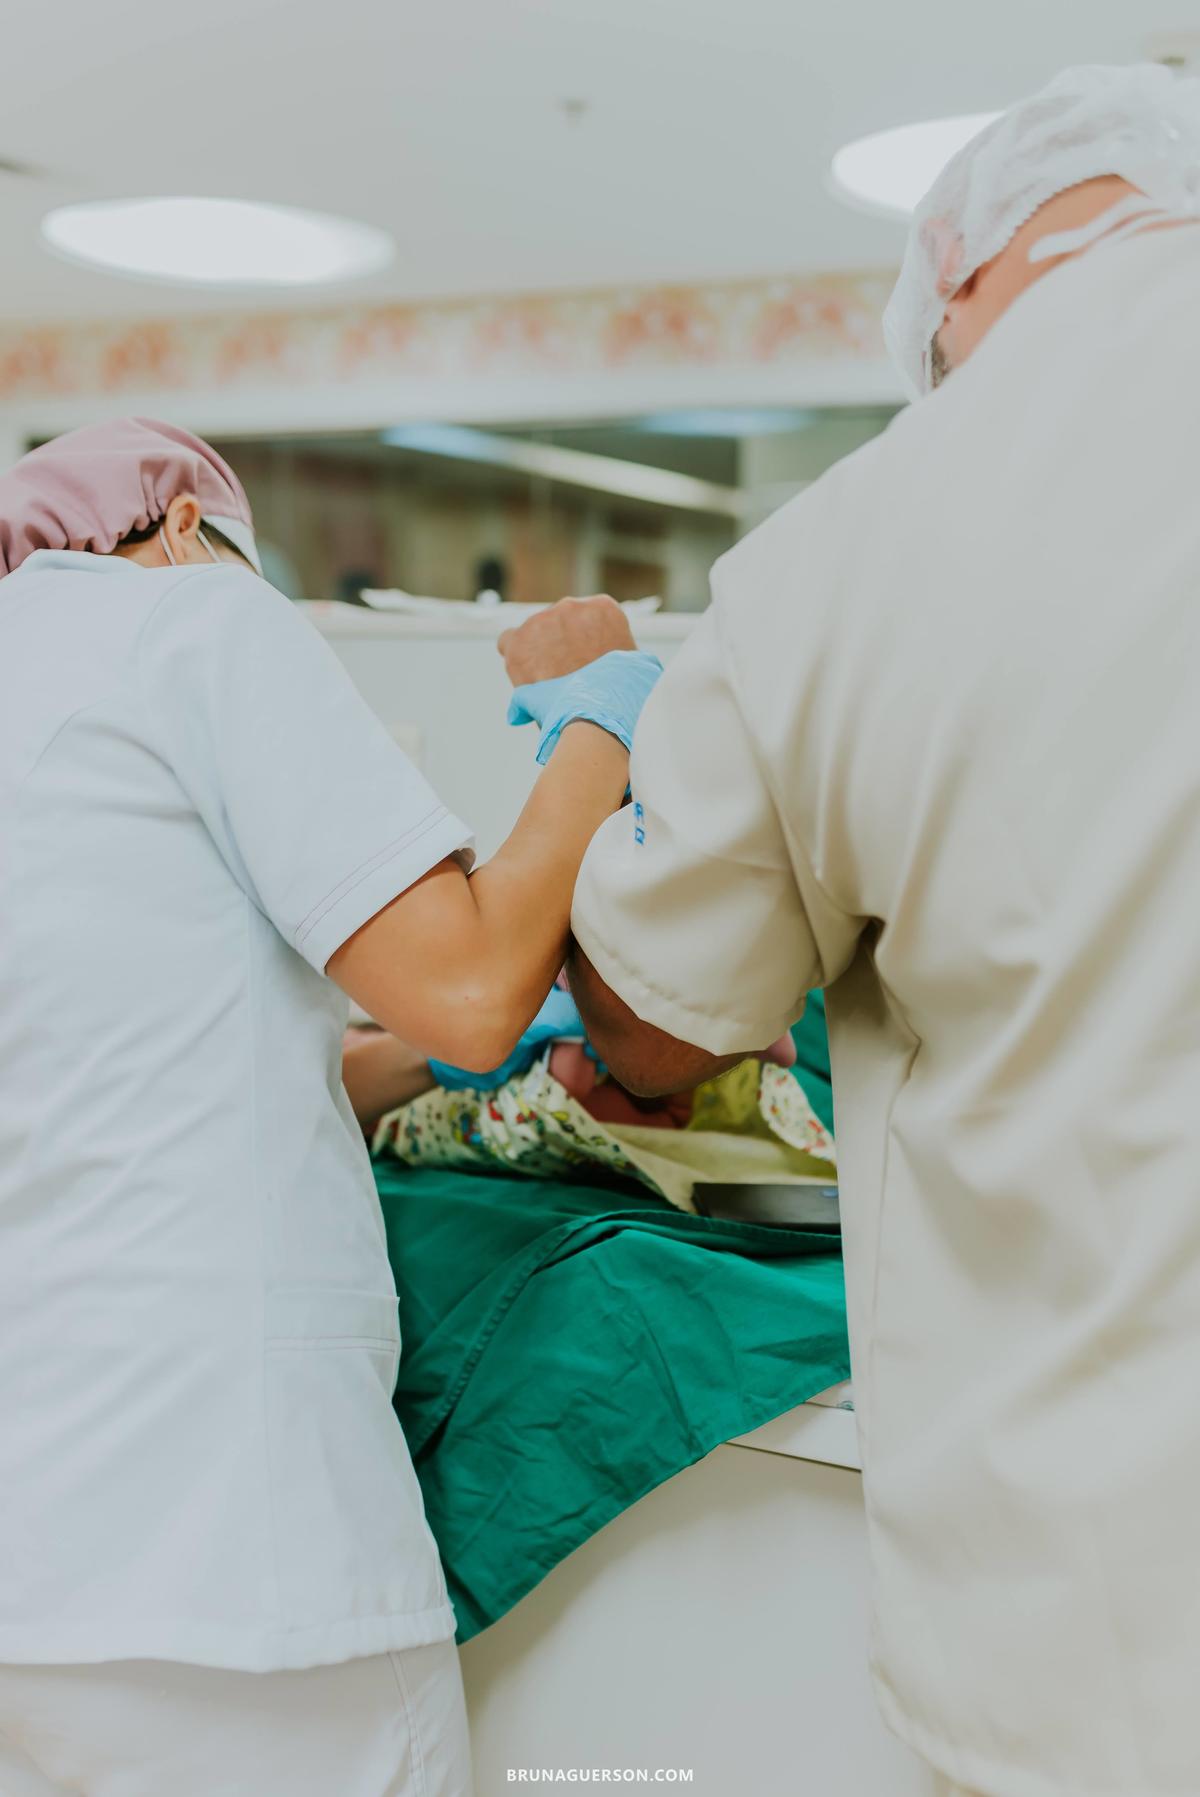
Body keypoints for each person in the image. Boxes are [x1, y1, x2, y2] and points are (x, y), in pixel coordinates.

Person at [506, 62, 1200, 1797]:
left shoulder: (865, 537)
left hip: (1113, 1604)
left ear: (956, 273)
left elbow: (658, 1028)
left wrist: (597, 733)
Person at [0, 417, 663, 1797]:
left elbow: (164, 1063)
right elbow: (475, 981)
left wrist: (442, 1051)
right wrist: (603, 722)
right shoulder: (190, 621)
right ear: (184, 524)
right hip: (233, 1578)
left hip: (40, 1580)